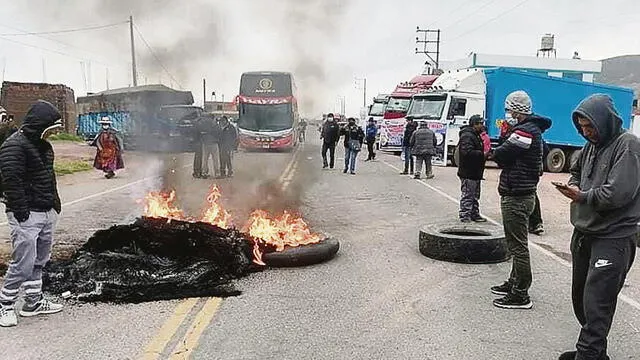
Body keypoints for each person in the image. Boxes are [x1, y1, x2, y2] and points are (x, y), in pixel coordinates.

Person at [555, 94, 639, 360]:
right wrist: (575, 185)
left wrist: (581, 197)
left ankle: (589, 354)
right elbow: (577, 172)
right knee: (581, 298)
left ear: (605, 120)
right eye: (581, 127)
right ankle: (594, 351)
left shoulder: (628, 145)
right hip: (585, 231)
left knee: (597, 302)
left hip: (613, 235)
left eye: (590, 126)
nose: (586, 132)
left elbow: (618, 194)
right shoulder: (591, 144)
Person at [0, 100, 64, 327]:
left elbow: (49, 177)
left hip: (46, 211)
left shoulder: (43, 145)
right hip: (27, 215)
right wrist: (21, 212)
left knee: (39, 260)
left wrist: (55, 204)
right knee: (23, 263)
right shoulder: (14, 145)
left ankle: (32, 303)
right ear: (41, 125)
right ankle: (5, 304)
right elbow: (11, 181)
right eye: (53, 128)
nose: (55, 133)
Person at [489, 90, 551, 310]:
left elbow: (501, 155)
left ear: (517, 110)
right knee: (516, 244)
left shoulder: (524, 132)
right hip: (523, 192)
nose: (507, 113)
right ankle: (514, 282)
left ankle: (520, 294)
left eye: (509, 109)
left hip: (517, 195)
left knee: (518, 247)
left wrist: (502, 141)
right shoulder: (531, 130)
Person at [457, 115, 487, 222]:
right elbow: (466, 152)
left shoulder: (476, 135)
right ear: (474, 124)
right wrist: (482, 154)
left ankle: (474, 214)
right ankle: (465, 215)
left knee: (475, 195)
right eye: (480, 123)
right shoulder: (467, 136)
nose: (482, 125)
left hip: (475, 172)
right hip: (468, 171)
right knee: (468, 195)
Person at [529, 139, 549, 235]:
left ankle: (536, 222)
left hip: (530, 171)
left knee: (531, 194)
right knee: (532, 193)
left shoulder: (530, 135)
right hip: (534, 170)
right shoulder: (538, 136)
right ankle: (535, 222)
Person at [200, 115, 221, 179]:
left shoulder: (203, 123)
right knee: (215, 159)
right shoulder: (214, 123)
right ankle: (217, 173)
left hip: (205, 143)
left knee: (205, 158)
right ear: (213, 118)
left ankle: (204, 173)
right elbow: (219, 131)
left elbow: (200, 132)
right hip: (214, 143)